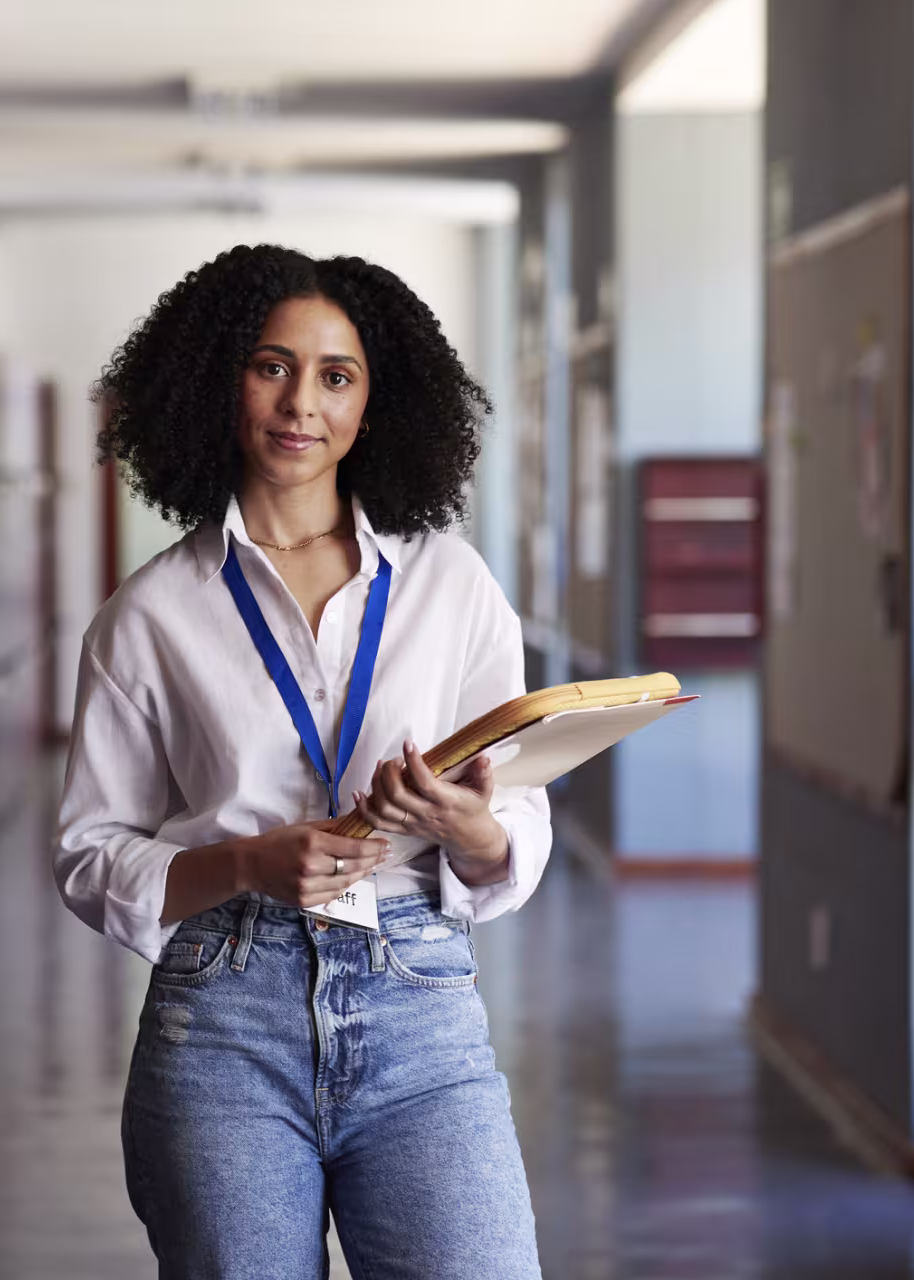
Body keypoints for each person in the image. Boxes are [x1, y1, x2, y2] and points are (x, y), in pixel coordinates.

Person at [55, 244, 550, 1278]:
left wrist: (471, 826)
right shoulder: (149, 614)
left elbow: (522, 810)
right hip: (223, 1013)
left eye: (336, 375)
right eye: (271, 365)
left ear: (376, 401)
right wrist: (244, 864)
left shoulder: (451, 586)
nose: (301, 403)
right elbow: (90, 851)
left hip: (421, 1006)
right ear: (218, 377)